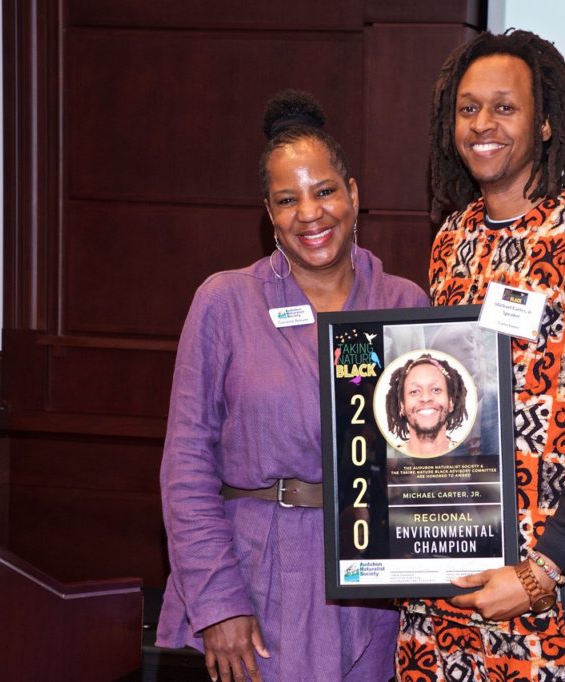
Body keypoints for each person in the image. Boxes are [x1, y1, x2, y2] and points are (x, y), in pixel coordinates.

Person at [396, 29, 565, 680]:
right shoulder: (451, 240)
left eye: (505, 108)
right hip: (441, 588)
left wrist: (543, 570)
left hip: (536, 599)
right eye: (469, 108)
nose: (483, 124)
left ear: (545, 123)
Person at [155, 90, 429, 682]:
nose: (310, 213)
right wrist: (219, 603)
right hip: (260, 580)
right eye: (288, 199)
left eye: (325, 190)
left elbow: (427, 453)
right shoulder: (224, 302)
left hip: (374, 587)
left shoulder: (406, 303)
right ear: (269, 213)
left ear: (353, 195)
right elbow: (185, 465)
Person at [384, 353, 470, 457]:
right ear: (402, 405)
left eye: (436, 390)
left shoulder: (469, 457)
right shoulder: (390, 461)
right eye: (414, 391)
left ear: (450, 402)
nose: (425, 398)